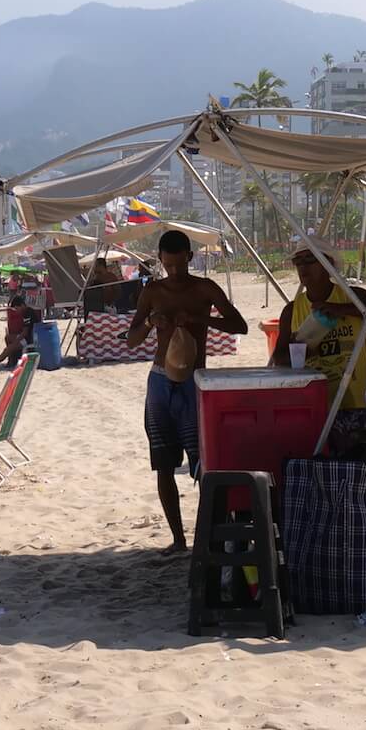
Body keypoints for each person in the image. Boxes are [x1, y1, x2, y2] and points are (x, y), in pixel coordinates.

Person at [124, 228, 248, 551]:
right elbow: (131, 339)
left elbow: (240, 325)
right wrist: (152, 322)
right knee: (163, 463)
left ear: (190, 258)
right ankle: (178, 539)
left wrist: (199, 318)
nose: (175, 273)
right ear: (161, 261)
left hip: (196, 382)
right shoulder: (152, 292)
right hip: (160, 379)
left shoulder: (204, 289)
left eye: (180, 265)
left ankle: (206, 537)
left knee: (202, 463)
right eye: (169, 266)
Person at [269, 244, 366, 409]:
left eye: (309, 259)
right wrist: (302, 353)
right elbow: (279, 358)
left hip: (358, 400)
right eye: (298, 261)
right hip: (316, 402)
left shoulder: (352, 296)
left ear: (328, 263)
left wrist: (340, 309)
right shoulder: (292, 310)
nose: (303, 266)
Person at [0, 293, 31, 369]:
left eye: (17, 308)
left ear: (22, 305)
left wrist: (16, 341)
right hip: (26, 337)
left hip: (28, 339)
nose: (16, 311)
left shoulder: (27, 313)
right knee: (8, 337)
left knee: (8, 349)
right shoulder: (26, 312)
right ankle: (11, 359)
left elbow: (25, 332)